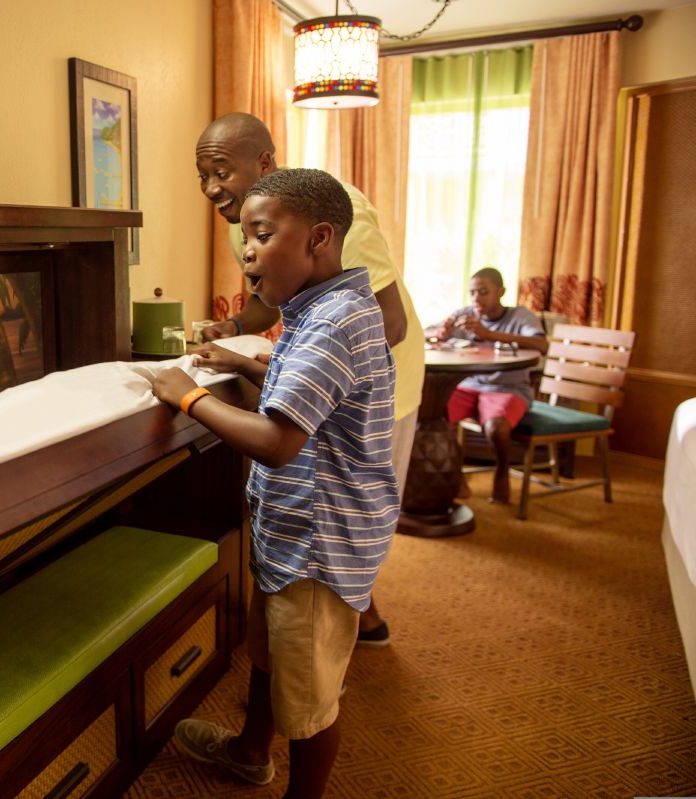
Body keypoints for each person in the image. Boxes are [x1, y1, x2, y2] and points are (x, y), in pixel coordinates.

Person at [151, 168, 399, 799]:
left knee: (310, 706)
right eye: (244, 237)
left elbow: (279, 441)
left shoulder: (335, 321)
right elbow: (309, 401)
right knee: (269, 656)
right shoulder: (322, 308)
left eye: (261, 234)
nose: (246, 249)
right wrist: (245, 362)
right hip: (294, 538)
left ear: (319, 238)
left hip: (318, 549)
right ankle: (248, 752)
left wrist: (190, 398)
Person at [195, 111, 423, 645]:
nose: (211, 188)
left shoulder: (330, 211)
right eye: (202, 177)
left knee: (346, 512)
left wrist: (307, 376)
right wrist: (231, 329)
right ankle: (330, 623)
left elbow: (387, 323)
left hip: (376, 387)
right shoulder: (247, 224)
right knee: (314, 509)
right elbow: (266, 302)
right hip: (318, 372)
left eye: (221, 172)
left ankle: (353, 619)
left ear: (264, 163)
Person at [436, 267, 548, 503]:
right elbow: (429, 334)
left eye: (483, 292)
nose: (477, 298)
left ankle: (502, 471)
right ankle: (456, 474)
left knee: (496, 428)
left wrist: (489, 334)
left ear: (500, 291)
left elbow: (541, 345)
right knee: (435, 416)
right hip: (469, 385)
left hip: (508, 388)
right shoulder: (466, 314)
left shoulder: (520, 316)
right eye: (473, 293)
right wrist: (443, 333)